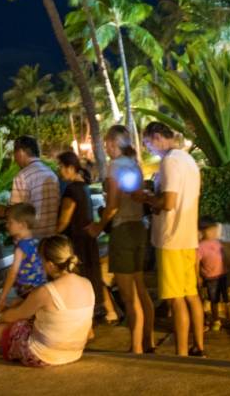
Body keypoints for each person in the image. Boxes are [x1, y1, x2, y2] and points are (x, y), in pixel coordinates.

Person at [138, 121, 204, 357]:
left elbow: (168, 203)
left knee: (176, 300)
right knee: (191, 295)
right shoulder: (188, 160)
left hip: (171, 239)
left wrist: (147, 199)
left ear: (157, 137)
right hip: (187, 237)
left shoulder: (170, 161)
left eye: (147, 143)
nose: (149, 149)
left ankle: (182, 354)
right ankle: (199, 347)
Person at [87, 125, 154, 354]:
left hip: (123, 230)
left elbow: (113, 205)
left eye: (107, 143)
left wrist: (98, 225)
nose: (105, 148)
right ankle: (148, 341)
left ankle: (136, 347)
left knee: (128, 295)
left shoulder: (115, 166)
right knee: (141, 288)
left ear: (114, 144)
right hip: (138, 228)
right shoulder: (134, 164)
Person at [0, 234, 94, 367]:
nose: (41, 265)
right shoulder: (87, 283)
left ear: (51, 265)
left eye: (42, 261)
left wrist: (2, 316)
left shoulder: (46, 291)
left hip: (45, 355)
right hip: (75, 352)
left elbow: (15, 315)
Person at [55, 151, 112, 322]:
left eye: (61, 167)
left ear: (71, 168)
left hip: (75, 241)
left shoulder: (71, 190)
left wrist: (52, 236)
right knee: (90, 277)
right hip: (87, 239)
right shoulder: (84, 187)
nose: (59, 171)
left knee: (78, 279)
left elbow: (64, 220)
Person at [0, 203, 47, 312]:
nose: (7, 225)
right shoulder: (36, 242)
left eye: (10, 222)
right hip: (40, 288)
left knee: (4, 311)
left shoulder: (21, 247)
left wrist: (3, 296)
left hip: (27, 292)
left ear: (22, 225)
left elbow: (13, 272)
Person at [9, 136, 60, 239]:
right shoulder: (51, 173)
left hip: (31, 239)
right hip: (50, 238)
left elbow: (17, 212)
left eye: (14, 154)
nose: (15, 159)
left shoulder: (22, 176)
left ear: (21, 152)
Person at [196, 219, 229, 332]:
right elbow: (196, 263)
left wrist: (227, 266)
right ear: (202, 231)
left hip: (222, 275)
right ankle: (215, 320)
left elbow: (223, 256)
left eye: (215, 230)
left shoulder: (217, 242)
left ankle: (227, 318)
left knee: (225, 298)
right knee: (213, 300)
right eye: (211, 230)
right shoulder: (200, 246)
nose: (214, 233)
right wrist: (198, 276)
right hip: (211, 278)